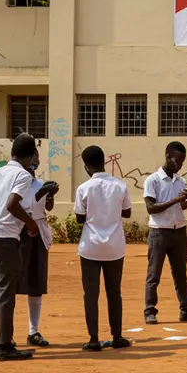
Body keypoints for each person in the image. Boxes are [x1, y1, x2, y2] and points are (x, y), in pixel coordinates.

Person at [0, 134, 39, 361]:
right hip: (4, 237)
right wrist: (31, 224)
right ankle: (4, 345)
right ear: (31, 155)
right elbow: (12, 204)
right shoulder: (23, 175)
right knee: (5, 290)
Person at [74, 145, 132, 351]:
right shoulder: (120, 185)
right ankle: (117, 336)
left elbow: (80, 219)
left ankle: (94, 338)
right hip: (114, 247)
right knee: (114, 292)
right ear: (104, 162)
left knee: (90, 293)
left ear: (87, 166)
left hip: (91, 246)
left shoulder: (84, 188)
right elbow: (127, 213)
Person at [143, 142, 187, 325]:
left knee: (180, 274)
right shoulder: (153, 180)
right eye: (177, 160)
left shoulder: (180, 181)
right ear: (167, 156)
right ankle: (149, 310)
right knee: (153, 274)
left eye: (182, 162)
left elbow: (182, 205)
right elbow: (151, 208)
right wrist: (175, 200)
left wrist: (184, 201)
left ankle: (186, 310)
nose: (180, 165)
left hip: (179, 231)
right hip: (159, 232)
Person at [18, 150, 58, 348]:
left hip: (38, 234)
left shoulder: (39, 183)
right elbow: (23, 206)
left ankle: (33, 331)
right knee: (12, 282)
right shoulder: (18, 182)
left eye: (36, 159)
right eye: (31, 158)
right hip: (19, 232)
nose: (34, 162)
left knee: (36, 283)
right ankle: (3, 332)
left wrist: (49, 195)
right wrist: (40, 194)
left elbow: (45, 208)